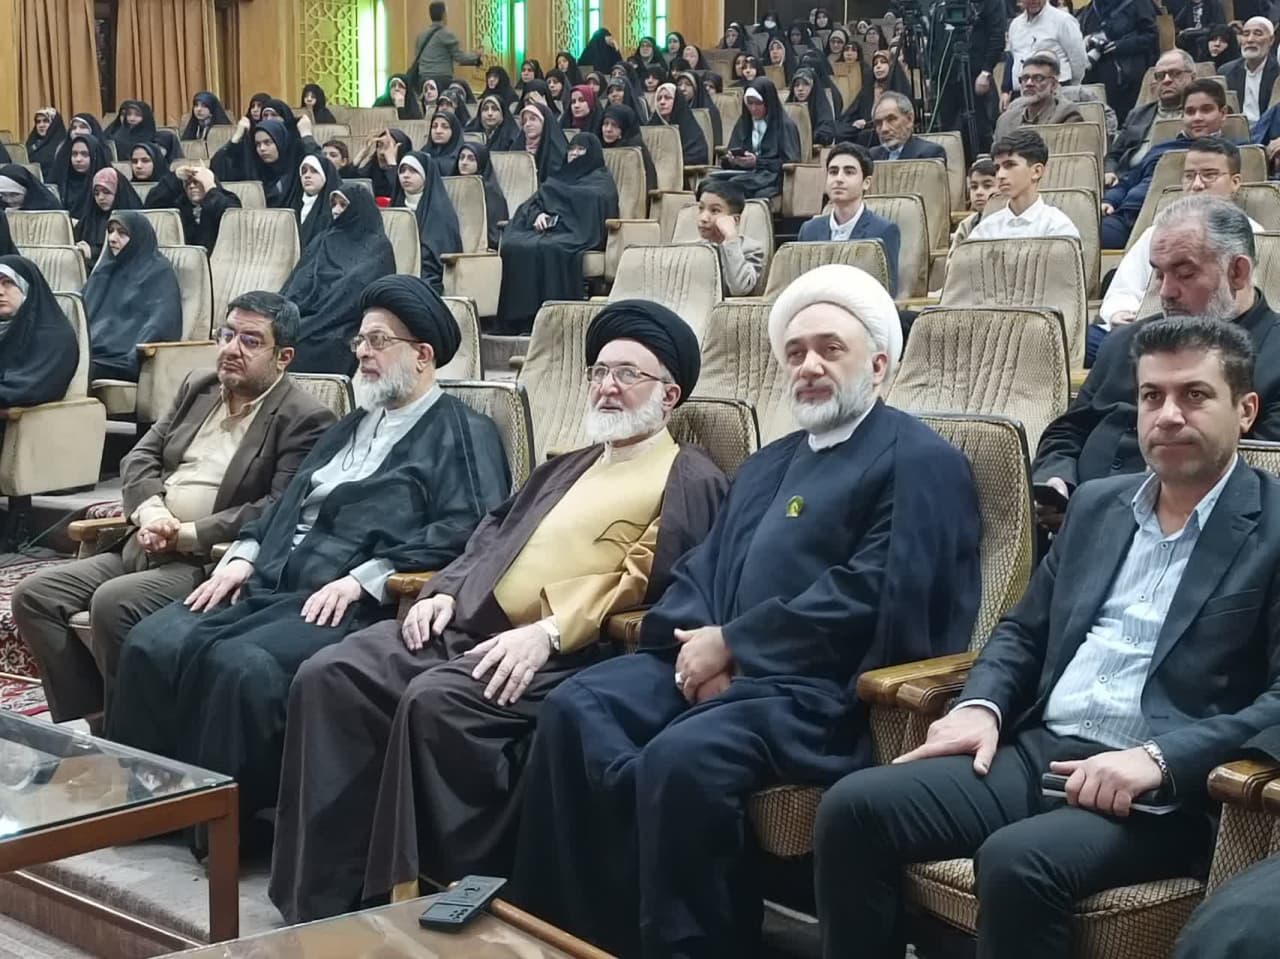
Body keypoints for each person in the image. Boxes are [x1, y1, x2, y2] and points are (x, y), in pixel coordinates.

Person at [506, 264, 981, 957]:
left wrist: (734, 644)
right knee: (576, 707)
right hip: (720, 666)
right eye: (796, 352)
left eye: (830, 349)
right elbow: (705, 566)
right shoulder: (769, 462)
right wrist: (695, 648)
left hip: (819, 692)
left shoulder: (919, 460)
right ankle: (578, 934)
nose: (809, 366)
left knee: (682, 757)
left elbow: (878, 591)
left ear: (879, 364)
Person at [816, 314, 1280, 959]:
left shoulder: (1272, 527)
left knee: (1017, 861)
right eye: (1152, 396)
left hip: (1164, 792)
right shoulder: (1098, 505)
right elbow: (1023, 631)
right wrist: (981, 706)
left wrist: (1159, 760)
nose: (1168, 415)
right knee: (852, 808)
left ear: (1246, 410)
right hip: (1042, 751)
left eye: (1194, 395)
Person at [271, 300, 727, 921]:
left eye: (627, 374)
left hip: (565, 652)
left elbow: (646, 578)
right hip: (470, 621)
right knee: (330, 675)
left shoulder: (687, 475)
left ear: (669, 395)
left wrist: (548, 632)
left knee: (435, 702)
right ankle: (322, 901)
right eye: (598, 372)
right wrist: (442, 590)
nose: (606, 386)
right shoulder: (568, 464)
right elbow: (489, 534)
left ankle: (425, 906)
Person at [107, 275, 511, 827]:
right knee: (152, 642)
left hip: (349, 601)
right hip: (274, 579)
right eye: (360, 341)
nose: (362, 353)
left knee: (242, 667)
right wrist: (244, 553)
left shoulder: (464, 431)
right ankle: (147, 806)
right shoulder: (351, 426)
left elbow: (471, 529)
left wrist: (367, 577)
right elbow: (285, 503)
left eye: (378, 341)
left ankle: (224, 830)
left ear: (422, 355)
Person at [12, 293, 333, 727]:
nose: (232, 348)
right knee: (35, 596)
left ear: (284, 357)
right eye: (227, 334)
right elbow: (139, 458)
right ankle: (97, 719)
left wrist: (184, 533)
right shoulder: (199, 387)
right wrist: (152, 514)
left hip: (205, 561)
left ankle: (134, 734)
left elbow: (277, 507)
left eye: (251, 341)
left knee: (113, 603)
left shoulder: (305, 417)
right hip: (144, 539)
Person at [1034, 195, 1280, 531]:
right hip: (1073, 526)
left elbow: (1252, 476)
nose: (1165, 292)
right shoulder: (1125, 341)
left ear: (1237, 273)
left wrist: (1095, 508)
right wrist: (1057, 480)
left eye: (1184, 273)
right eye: (1159, 274)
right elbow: (1068, 430)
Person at [1092, 138, 1263, 365]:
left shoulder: (1254, 236)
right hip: (1143, 329)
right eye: (1189, 176)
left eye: (1209, 175)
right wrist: (1120, 312)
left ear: (1235, 182)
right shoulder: (1157, 233)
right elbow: (1124, 289)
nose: (1197, 185)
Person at [496, 134, 617, 334]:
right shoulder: (558, 178)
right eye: (572, 149)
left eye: (581, 150)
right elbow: (533, 203)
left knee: (552, 248)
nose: (575, 154)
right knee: (514, 245)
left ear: (592, 154)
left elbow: (594, 213)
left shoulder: (600, 182)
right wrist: (537, 215)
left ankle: (553, 322)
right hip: (546, 230)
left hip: (577, 234)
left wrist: (561, 222)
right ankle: (520, 320)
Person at [1101, 79, 1230, 249]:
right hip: (1128, 218)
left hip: (1183, 223)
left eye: (1206, 110)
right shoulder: (1160, 148)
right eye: (1190, 112)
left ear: (1223, 113)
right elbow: (1128, 182)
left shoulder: (1235, 151)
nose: (1197, 117)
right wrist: (1110, 200)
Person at [282, 187, 396, 375]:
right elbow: (299, 279)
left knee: (326, 343)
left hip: (348, 320)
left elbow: (360, 289)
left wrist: (321, 315)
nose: (335, 210)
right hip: (309, 310)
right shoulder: (324, 238)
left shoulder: (378, 247)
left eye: (343, 205)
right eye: (334, 204)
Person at [82, 211, 181, 382]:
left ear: (138, 238)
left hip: (124, 359)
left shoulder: (158, 272)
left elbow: (160, 323)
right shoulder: (105, 270)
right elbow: (81, 313)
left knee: (71, 371)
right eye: (110, 231)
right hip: (91, 353)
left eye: (122, 233)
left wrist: (134, 356)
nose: (112, 238)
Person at [798, 142, 901, 295]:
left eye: (849, 172)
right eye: (833, 172)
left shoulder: (884, 230)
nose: (839, 179)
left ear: (866, 183)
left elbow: (887, 291)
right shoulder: (809, 230)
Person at [0, 255, 78, 447]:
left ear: (28, 288)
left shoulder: (54, 336)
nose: (0, 292)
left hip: (22, 427)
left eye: (8, 283)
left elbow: (29, 388)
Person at [924, 0, 1006, 158]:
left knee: (980, 128)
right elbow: (932, 43)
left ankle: (983, 166)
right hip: (946, 76)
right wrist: (930, 75)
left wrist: (986, 71)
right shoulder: (939, 5)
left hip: (976, 75)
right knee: (948, 129)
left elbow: (997, 37)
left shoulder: (989, 4)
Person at [967, 129, 1080, 241]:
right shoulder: (985, 230)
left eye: (1010, 165)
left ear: (1036, 171)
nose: (1000, 175)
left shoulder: (1058, 227)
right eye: (997, 168)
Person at [1105, 50, 1196, 186]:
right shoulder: (1138, 114)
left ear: (1193, 78)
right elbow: (1114, 155)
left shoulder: (1200, 114)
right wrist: (1109, 172)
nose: (1167, 80)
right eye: (1160, 76)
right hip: (1129, 180)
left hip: (1176, 181)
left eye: (1175, 73)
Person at [709, 78, 801, 201]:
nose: (753, 108)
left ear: (768, 102)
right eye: (750, 103)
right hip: (746, 174)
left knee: (733, 186)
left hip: (772, 177)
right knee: (708, 184)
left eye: (758, 103)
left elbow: (789, 163)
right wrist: (732, 160)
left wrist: (757, 162)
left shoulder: (785, 126)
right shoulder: (743, 123)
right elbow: (732, 152)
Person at [1079, 0, 1158, 124]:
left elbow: (1151, 36)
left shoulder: (1138, 4)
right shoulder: (1091, 8)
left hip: (1128, 76)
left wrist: (1120, 46)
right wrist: (1088, 40)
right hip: (1098, 74)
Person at [392, 152, 462, 291]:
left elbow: (437, 257)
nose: (406, 175)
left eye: (413, 171)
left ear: (425, 175)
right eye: (402, 170)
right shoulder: (396, 206)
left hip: (427, 277)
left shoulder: (439, 211)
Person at [143, 165, 242, 252]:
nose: (191, 186)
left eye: (196, 182)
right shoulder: (180, 205)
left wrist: (210, 188)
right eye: (187, 183)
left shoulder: (227, 199)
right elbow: (152, 205)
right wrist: (174, 176)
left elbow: (231, 216)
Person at [694, 179, 766, 297]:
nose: (703, 218)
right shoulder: (694, 248)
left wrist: (731, 239)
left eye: (715, 211)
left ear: (735, 220)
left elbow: (739, 289)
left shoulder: (751, 249)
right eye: (701, 208)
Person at [992, 51, 1085, 143]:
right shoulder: (1005, 120)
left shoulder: (1066, 113)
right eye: (1025, 78)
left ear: (1053, 84)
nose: (1029, 83)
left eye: (1038, 78)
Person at [1007, 0, 1088, 92]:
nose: (1034, 1)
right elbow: (1014, 57)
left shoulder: (1063, 20)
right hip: (1023, 91)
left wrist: (1072, 86)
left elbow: (1079, 58)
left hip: (1056, 90)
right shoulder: (1015, 25)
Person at [836, 52, 913, 144]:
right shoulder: (868, 88)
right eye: (875, 64)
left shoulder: (900, 87)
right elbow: (851, 114)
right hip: (865, 129)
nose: (878, 66)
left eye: (883, 62)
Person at [408, 2, 481, 95]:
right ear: (444, 15)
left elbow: (417, 58)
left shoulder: (421, 35)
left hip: (423, 79)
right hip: (441, 80)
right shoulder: (446, 35)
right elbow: (460, 58)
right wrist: (476, 56)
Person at [73, 167, 142, 264]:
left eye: (106, 192)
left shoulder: (134, 219)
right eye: (96, 193)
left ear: (117, 191)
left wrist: (92, 253)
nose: (101, 197)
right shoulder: (88, 219)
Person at [1220, 17, 1278, 125]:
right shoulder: (1226, 71)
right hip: (1236, 130)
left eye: (1258, 34)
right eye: (1245, 34)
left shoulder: (1278, 71)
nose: (1250, 40)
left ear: (1271, 40)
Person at [453, 143, 507, 251]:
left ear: (481, 162)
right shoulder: (452, 188)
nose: (464, 162)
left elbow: (494, 234)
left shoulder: (491, 193)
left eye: (471, 159)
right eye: (461, 157)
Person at [868, 92, 947, 162]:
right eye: (878, 123)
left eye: (891, 119)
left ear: (909, 119)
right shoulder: (872, 156)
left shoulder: (929, 154)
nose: (884, 129)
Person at [647, 81, 709, 165]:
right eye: (659, 98)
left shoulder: (690, 128)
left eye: (667, 98)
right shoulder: (651, 126)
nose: (662, 102)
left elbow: (698, 156)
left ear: (677, 101)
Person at [53, 133, 112, 221]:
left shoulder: (108, 183)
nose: (78, 159)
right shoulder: (64, 182)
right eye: (74, 154)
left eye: (84, 154)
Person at [601, 103, 656, 193]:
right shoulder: (599, 146)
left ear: (624, 127)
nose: (608, 129)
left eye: (614, 125)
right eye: (605, 124)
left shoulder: (633, 150)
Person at [104, 100, 183, 161]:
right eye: (129, 114)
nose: (132, 118)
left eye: (137, 115)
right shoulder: (116, 139)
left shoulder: (161, 139)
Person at [950, 156, 1000, 251]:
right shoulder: (967, 225)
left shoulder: (1011, 221)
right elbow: (953, 258)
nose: (978, 192)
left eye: (987, 186)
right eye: (974, 187)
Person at [295, 154, 342, 250]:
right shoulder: (295, 204)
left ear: (325, 174)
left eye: (314, 171)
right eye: (304, 171)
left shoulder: (337, 208)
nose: (307, 176)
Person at [517, 102, 569, 183]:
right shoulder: (518, 147)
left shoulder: (556, 150)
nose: (527, 124)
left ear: (544, 121)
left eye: (533, 119)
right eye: (524, 121)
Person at [789, 67, 837, 145]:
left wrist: (810, 137)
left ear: (813, 87)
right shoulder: (787, 109)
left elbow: (827, 133)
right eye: (796, 85)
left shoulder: (821, 107)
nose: (800, 89)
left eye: (805, 84)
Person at [25, 108, 66, 180]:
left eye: (46, 121)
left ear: (54, 124)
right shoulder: (32, 143)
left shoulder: (63, 146)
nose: (41, 125)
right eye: (38, 122)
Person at [423, 109, 465, 175]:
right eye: (434, 126)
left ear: (454, 131)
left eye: (445, 127)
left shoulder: (462, 158)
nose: (438, 131)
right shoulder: (424, 153)